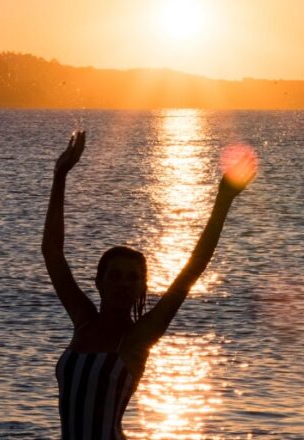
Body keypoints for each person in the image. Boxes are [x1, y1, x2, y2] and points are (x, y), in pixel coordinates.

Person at [42, 130, 256, 439]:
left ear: (143, 287)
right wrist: (59, 175)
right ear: (99, 282)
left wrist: (223, 201)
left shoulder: (138, 338)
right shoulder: (84, 323)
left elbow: (191, 271)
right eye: (115, 276)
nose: (123, 284)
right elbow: (52, 253)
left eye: (133, 278)